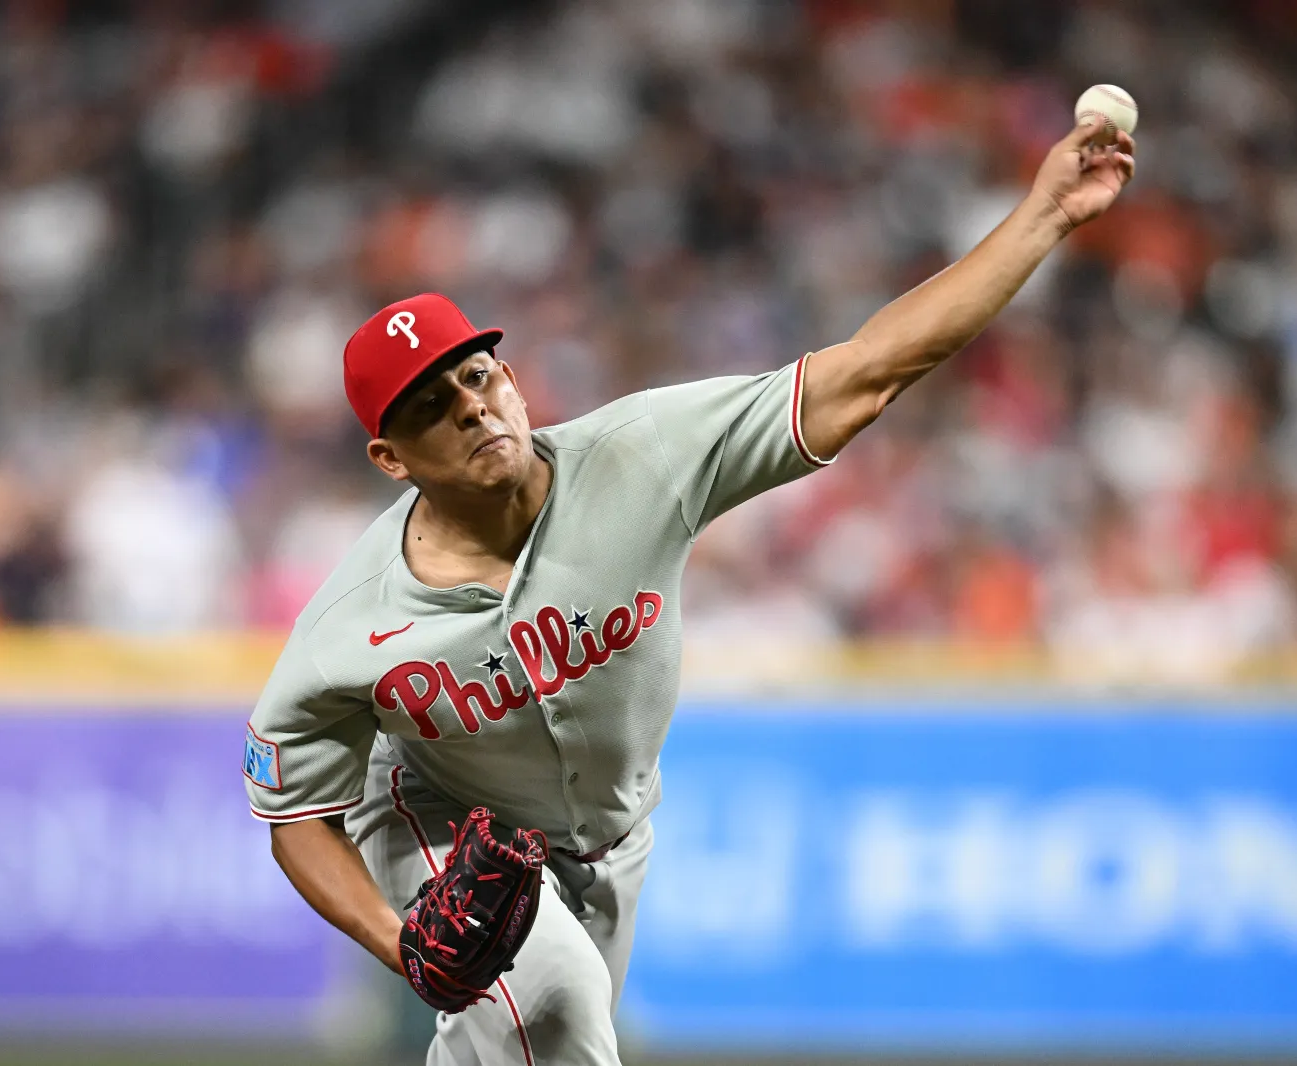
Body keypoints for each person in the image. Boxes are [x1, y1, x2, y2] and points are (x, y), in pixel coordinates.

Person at [245, 120, 1134, 1065]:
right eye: (429, 406)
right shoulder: (353, 623)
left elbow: (872, 368)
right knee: (557, 1014)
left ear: (509, 378)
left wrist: (1042, 215)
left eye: (473, 377)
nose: (469, 407)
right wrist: (400, 945)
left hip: (612, 840)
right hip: (441, 822)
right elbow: (295, 811)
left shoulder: (645, 454)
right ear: (390, 459)